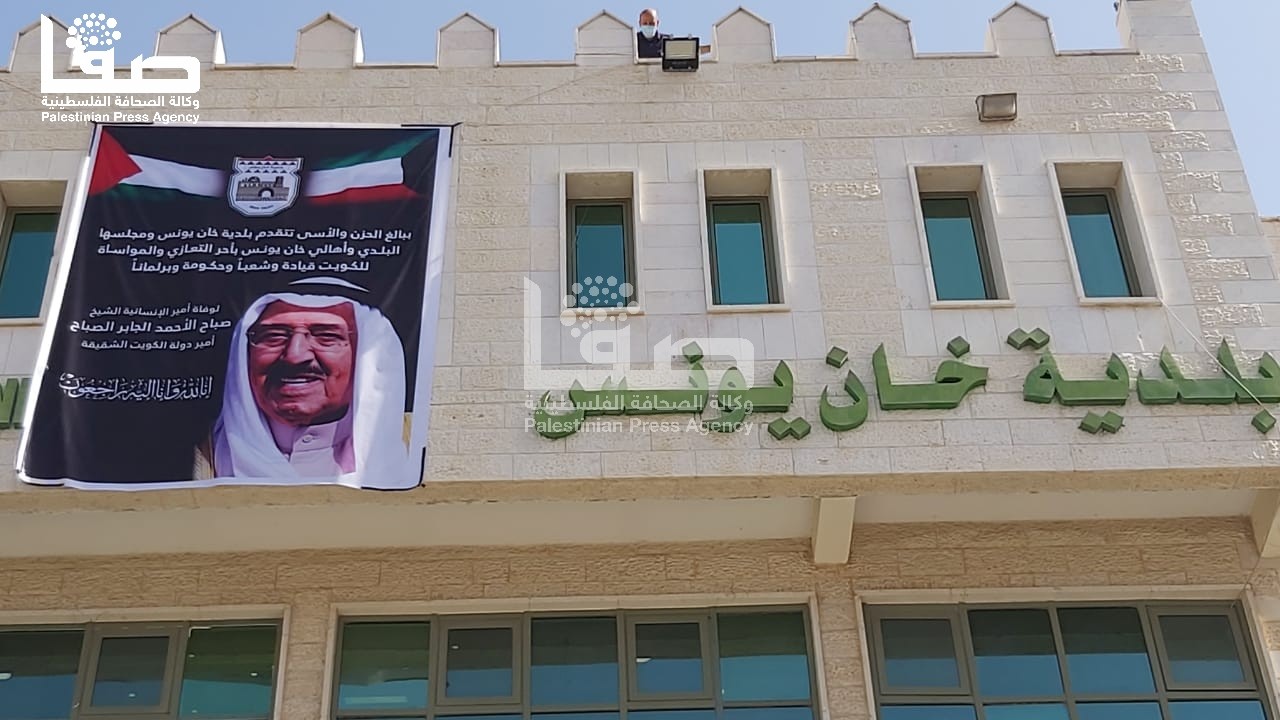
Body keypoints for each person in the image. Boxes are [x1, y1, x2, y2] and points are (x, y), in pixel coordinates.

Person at [194, 292, 412, 484]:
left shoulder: (414, 446)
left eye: (327, 336)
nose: (295, 356)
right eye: (273, 336)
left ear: (365, 355)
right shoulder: (198, 455)